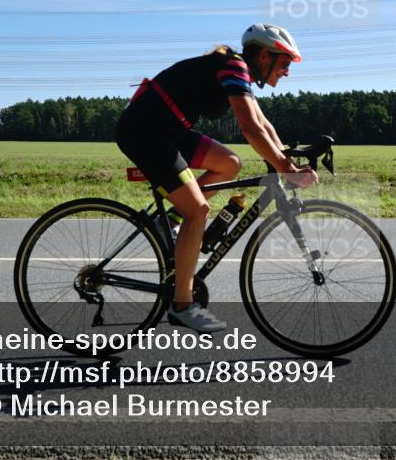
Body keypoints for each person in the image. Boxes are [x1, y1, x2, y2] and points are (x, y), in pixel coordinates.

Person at [115, 23, 319, 333]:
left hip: (168, 132)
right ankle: (182, 305)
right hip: (144, 133)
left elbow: (263, 125)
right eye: (286, 62)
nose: (288, 71)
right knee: (198, 211)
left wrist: (286, 161)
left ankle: (167, 221)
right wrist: (285, 169)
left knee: (230, 163)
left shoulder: (239, 72)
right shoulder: (234, 66)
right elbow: (249, 129)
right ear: (265, 55)